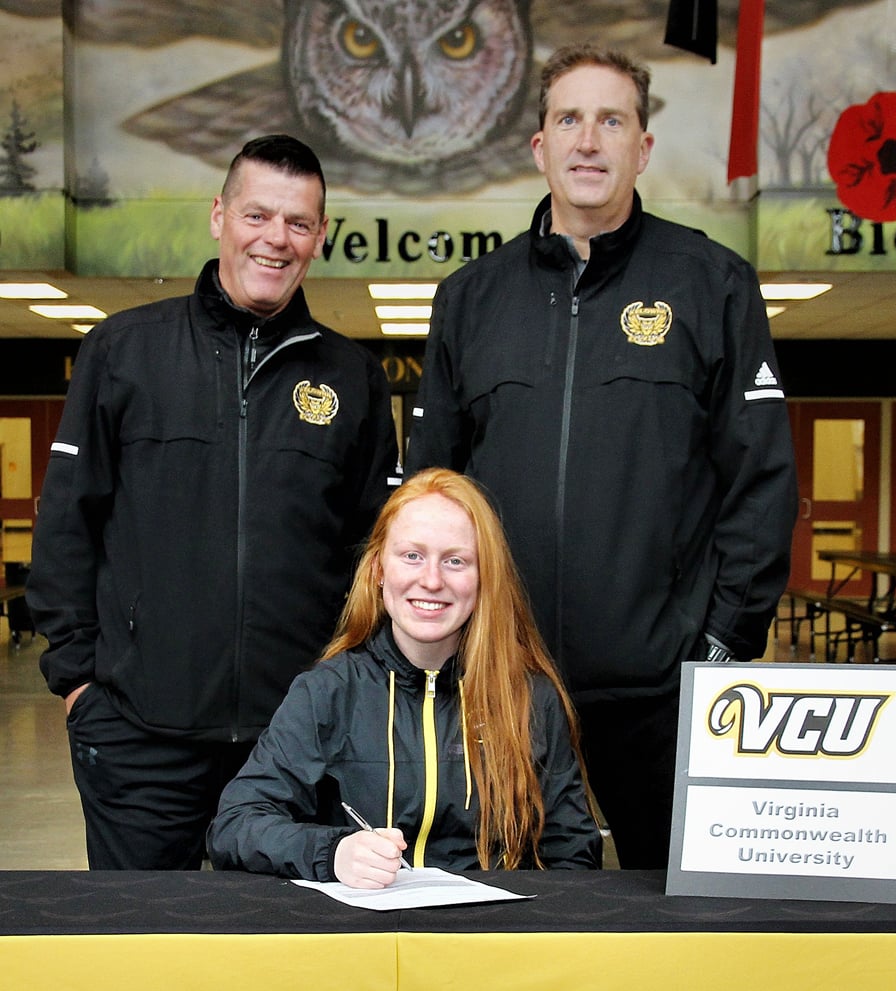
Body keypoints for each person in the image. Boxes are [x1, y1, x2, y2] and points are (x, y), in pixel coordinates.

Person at [404, 45, 798, 869]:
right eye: (569, 120)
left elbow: (760, 482)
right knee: (506, 912)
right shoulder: (471, 298)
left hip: (662, 694)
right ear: (540, 146)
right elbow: (431, 491)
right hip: (504, 687)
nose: (590, 140)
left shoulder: (712, 284)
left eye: (612, 120)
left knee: (676, 921)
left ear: (642, 147)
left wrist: (718, 648)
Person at [26, 134, 400, 870]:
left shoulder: (354, 377)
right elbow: (68, 522)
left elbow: (373, 555)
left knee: (284, 961)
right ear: (219, 216)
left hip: (295, 743)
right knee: (145, 955)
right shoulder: (124, 350)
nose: (276, 238)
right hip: (139, 735)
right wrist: (77, 685)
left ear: (320, 237)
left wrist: (349, 699)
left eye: (298, 222)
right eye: (257, 215)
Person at [207, 468, 602, 884]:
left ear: (484, 577)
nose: (430, 580)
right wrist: (333, 853)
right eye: (412, 556)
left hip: (488, 937)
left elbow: (573, 854)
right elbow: (235, 825)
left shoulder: (529, 695)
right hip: (362, 937)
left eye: (455, 561)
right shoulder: (327, 692)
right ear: (378, 569)